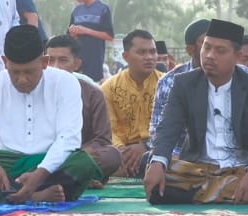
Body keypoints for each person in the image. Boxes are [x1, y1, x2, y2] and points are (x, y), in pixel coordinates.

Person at [0, 25, 100, 202]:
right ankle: (34, 196)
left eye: (29, 72)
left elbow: (68, 137)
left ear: (44, 62)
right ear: (5, 62)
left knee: (83, 163)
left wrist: (41, 173)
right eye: (15, 72)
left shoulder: (66, 83)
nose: (22, 79)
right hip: (6, 162)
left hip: (46, 160)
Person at [145, 19, 248, 204]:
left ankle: (199, 195)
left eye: (220, 51)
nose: (210, 55)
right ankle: (227, 194)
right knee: (151, 164)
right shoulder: (184, 83)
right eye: (207, 48)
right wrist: (158, 162)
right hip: (197, 169)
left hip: (242, 167)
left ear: (236, 56)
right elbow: (167, 128)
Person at [44, 34, 121, 180]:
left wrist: (71, 155)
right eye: (50, 60)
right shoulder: (33, 90)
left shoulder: (92, 93)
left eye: (63, 60)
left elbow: (102, 140)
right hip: (40, 156)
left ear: (77, 64)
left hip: (77, 157)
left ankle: (67, 176)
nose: (55, 67)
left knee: (112, 156)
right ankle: (76, 179)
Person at [102, 29, 163, 176]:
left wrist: (146, 146)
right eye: (141, 52)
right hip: (122, 153)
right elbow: (109, 129)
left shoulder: (168, 84)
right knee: (104, 160)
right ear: (126, 56)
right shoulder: (109, 87)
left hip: (158, 150)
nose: (149, 57)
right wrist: (122, 153)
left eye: (153, 52)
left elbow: (175, 127)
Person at [151, 19, 211, 144]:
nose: (213, 50)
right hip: (182, 155)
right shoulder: (169, 81)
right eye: (206, 44)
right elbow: (159, 131)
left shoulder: (239, 76)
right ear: (190, 49)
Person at [66, 0, 113, 81]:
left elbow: (109, 36)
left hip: (94, 59)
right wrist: (72, 33)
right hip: (77, 59)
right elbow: (68, 37)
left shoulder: (103, 9)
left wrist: (86, 31)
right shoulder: (76, 11)